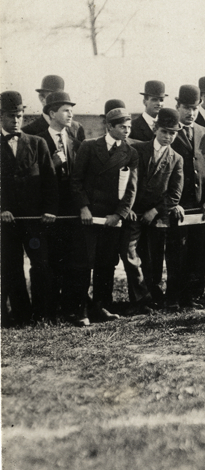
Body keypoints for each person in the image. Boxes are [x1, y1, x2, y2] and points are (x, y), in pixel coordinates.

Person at [69, 105, 140, 324]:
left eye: (129, 127)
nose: (126, 131)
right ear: (109, 126)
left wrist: (119, 215)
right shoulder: (89, 147)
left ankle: (101, 307)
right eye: (122, 127)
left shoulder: (130, 152)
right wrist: (83, 208)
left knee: (106, 264)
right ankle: (80, 310)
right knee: (83, 265)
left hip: (111, 220)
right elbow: (76, 180)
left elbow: (131, 189)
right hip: (89, 217)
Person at [0, 90, 58, 326]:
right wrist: (2, 208)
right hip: (7, 221)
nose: (16, 121)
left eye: (20, 116)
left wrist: (50, 209)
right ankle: (22, 315)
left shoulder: (37, 143)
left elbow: (50, 181)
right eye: (11, 116)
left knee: (41, 265)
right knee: (12, 267)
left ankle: (41, 314)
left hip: (35, 220)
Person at [164, 84, 205, 309]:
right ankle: (175, 297)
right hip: (178, 205)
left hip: (201, 205)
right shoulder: (169, 133)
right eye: (186, 108)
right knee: (177, 252)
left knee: (199, 251)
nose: (190, 113)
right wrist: (172, 202)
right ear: (177, 106)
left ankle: (194, 296)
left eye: (194, 108)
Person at [129, 107, 184, 313]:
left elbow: (174, 194)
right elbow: (128, 182)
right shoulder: (138, 150)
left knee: (154, 257)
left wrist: (155, 210)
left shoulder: (177, 158)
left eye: (172, 133)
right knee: (132, 254)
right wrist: (131, 208)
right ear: (155, 129)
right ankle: (140, 298)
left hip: (158, 216)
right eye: (164, 132)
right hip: (134, 213)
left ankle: (155, 295)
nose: (168, 137)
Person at [37, 90, 83, 318]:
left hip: (71, 211)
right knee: (50, 262)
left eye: (71, 110)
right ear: (52, 112)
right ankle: (49, 308)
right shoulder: (38, 141)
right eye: (65, 110)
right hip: (49, 212)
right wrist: (52, 165)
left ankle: (70, 307)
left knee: (71, 260)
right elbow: (33, 178)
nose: (70, 114)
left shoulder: (75, 141)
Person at [24, 75, 88, 144]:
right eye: (52, 96)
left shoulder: (76, 128)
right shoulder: (28, 132)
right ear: (41, 99)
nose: (58, 100)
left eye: (61, 96)